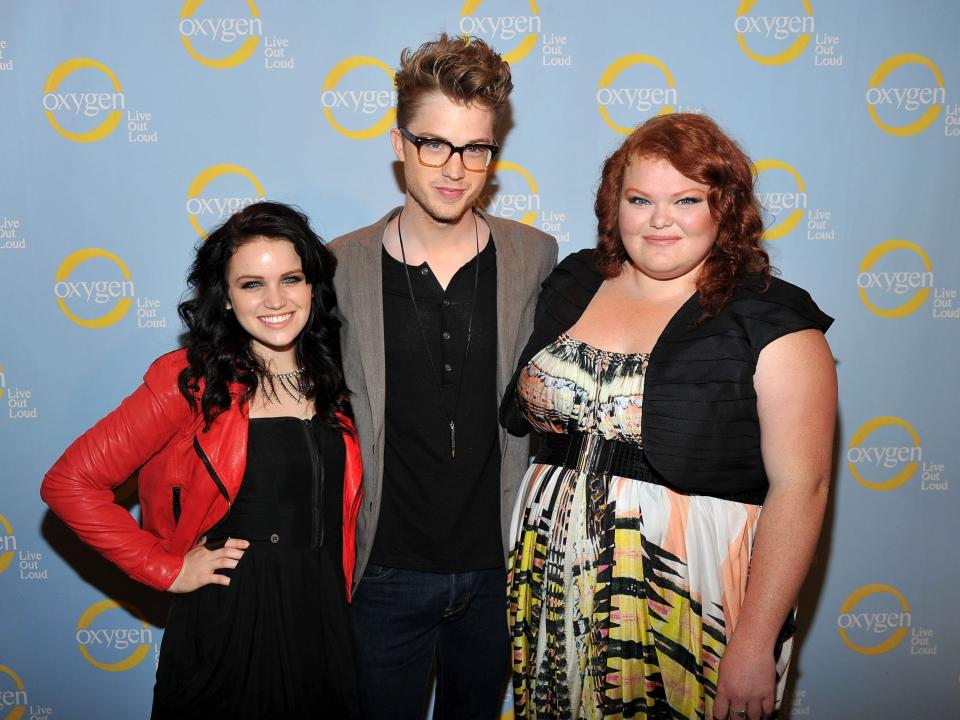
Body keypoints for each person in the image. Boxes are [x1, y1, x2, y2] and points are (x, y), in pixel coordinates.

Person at [501, 113, 836, 720]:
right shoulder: (573, 281)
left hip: (687, 586)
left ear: (725, 208)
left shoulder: (772, 320)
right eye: (640, 199)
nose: (660, 220)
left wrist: (755, 643)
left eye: (686, 199)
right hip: (552, 570)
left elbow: (803, 488)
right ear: (614, 205)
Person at [41, 202, 362, 719]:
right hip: (230, 617)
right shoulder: (189, 382)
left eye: (291, 278)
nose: (275, 300)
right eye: (252, 284)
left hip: (322, 613)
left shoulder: (341, 380)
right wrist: (167, 571)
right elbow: (69, 483)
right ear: (227, 297)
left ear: (312, 287)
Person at [330, 33, 557, 719]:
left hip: (497, 570)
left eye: (476, 149)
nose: (455, 169)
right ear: (400, 143)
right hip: (384, 571)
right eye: (435, 144)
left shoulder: (535, 256)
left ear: (494, 151)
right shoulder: (341, 266)